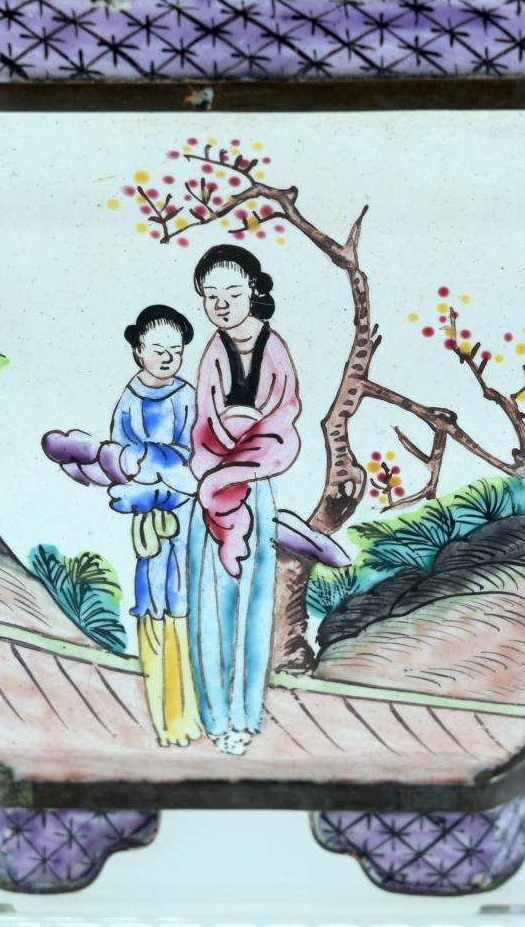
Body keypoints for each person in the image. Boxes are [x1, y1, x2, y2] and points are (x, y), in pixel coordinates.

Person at [40, 304, 203, 748]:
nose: (167, 357)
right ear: (138, 350)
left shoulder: (187, 397)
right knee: (151, 600)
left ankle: (188, 715)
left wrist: (156, 467)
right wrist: (138, 476)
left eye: (176, 350)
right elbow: (119, 458)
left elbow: (193, 458)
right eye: (158, 348)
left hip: (182, 512)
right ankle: (163, 719)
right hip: (146, 516)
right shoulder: (130, 399)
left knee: (183, 599)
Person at [186, 245, 302, 756]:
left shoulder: (276, 349)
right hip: (213, 491)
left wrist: (243, 460)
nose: (221, 304)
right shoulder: (212, 351)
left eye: (231, 293)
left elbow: (283, 419)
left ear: (253, 291)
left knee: (254, 606)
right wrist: (219, 473)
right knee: (211, 606)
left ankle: (245, 716)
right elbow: (204, 425)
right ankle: (214, 717)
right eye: (210, 296)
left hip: (256, 485)